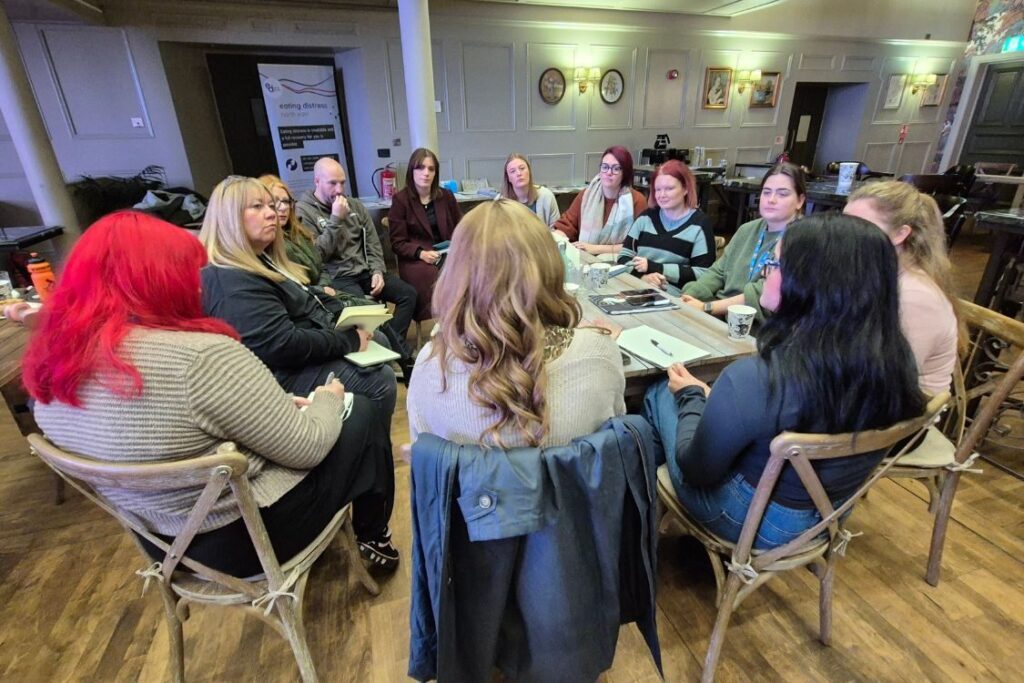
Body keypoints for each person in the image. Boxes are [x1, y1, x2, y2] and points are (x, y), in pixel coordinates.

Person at [23, 211, 399, 576]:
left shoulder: (51, 367)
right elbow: (307, 448)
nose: (200, 284)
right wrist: (328, 400)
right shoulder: (200, 356)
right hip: (248, 540)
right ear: (163, 280)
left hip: (161, 541)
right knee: (362, 410)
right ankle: (374, 534)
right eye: (191, 272)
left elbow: (164, 425)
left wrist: (275, 406)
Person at [644, 214, 925, 549]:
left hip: (752, 522)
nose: (766, 274)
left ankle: (638, 525)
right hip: (831, 513)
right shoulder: (896, 359)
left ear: (808, 284)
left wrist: (692, 396)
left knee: (660, 390)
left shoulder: (756, 377)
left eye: (775, 265)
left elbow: (697, 471)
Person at [407, 199, 626, 448]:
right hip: (573, 487)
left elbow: (425, 464)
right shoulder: (600, 354)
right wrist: (591, 341)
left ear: (456, 273)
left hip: (474, 489)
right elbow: (613, 441)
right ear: (550, 265)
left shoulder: (430, 366)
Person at [199, 175, 399, 438]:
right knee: (380, 379)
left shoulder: (262, 259)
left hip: (294, 354)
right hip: (275, 376)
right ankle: (361, 448)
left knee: (380, 339)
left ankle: (368, 441)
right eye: (257, 207)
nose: (271, 213)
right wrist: (348, 340)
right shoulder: (231, 278)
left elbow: (305, 294)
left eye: (272, 205)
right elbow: (280, 345)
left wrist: (342, 313)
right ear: (229, 218)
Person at [844, 180, 960, 395]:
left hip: (900, 420)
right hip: (862, 395)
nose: (844, 237)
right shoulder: (876, 274)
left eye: (860, 228)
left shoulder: (915, 297)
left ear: (900, 234)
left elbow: (883, 383)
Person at [295, 157, 416, 357]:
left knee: (408, 294)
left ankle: (391, 347)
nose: (339, 189)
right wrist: (336, 219)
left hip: (365, 271)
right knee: (369, 311)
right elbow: (316, 255)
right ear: (317, 181)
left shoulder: (354, 205)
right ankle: (405, 357)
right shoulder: (304, 212)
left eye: (342, 182)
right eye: (332, 183)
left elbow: (372, 241)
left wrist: (377, 270)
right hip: (338, 278)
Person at [681, 162, 806, 320]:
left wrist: (705, 307)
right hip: (719, 311)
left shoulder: (803, 240)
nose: (771, 200)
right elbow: (718, 271)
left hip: (757, 324)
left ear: (800, 200)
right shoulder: (746, 230)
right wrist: (688, 296)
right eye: (766, 192)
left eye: (782, 194)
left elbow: (761, 294)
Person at [387, 148, 463, 322]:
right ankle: (442, 320)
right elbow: (397, 242)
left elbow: (460, 227)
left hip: (447, 252)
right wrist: (421, 253)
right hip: (417, 257)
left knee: (472, 269)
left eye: (431, 169)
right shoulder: (401, 200)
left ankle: (466, 319)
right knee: (428, 274)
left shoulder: (446, 196)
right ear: (411, 171)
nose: (426, 173)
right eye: (420, 168)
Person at [617, 160, 715, 294]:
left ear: (685, 188)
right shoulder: (645, 218)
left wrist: (657, 268)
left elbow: (704, 273)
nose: (662, 195)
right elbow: (624, 257)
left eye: (669, 189)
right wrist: (643, 277)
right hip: (638, 285)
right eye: (658, 189)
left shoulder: (700, 225)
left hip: (676, 295)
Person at [552, 145, 647, 254]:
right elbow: (566, 226)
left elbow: (639, 245)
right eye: (605, 167)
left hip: (620, 261)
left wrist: (595, 248)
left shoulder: (637, 200)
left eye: (616, 168)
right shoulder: (586, 195)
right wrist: (557, 238)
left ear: (625, 173)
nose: (609, 172)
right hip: (586, 259)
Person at [501, 153, 561, 227]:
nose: (519, 173)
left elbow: (556, 229)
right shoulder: (501, 203)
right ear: (508, 178)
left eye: (522, 168)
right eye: (513, 171)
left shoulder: (546, 196)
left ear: (529, 172)